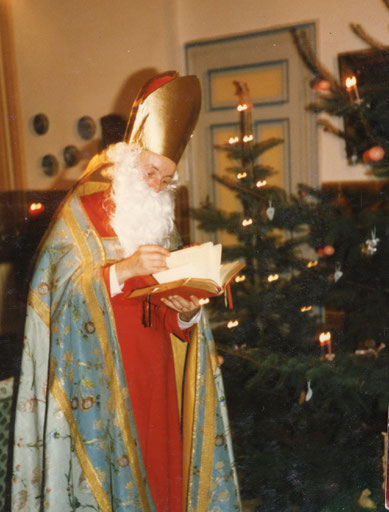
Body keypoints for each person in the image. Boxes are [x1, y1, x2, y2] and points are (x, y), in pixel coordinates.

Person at [11, 72, 241, 511]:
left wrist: (188, 311)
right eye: (152, 171)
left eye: (166, 178)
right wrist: (121, 271)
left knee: (163, 481)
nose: (156, 186)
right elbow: (54, 295)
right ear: (131, 158)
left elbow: (166, 298)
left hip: (157, 378)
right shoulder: (82, 209)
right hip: (104, 384)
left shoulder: (155, 213)